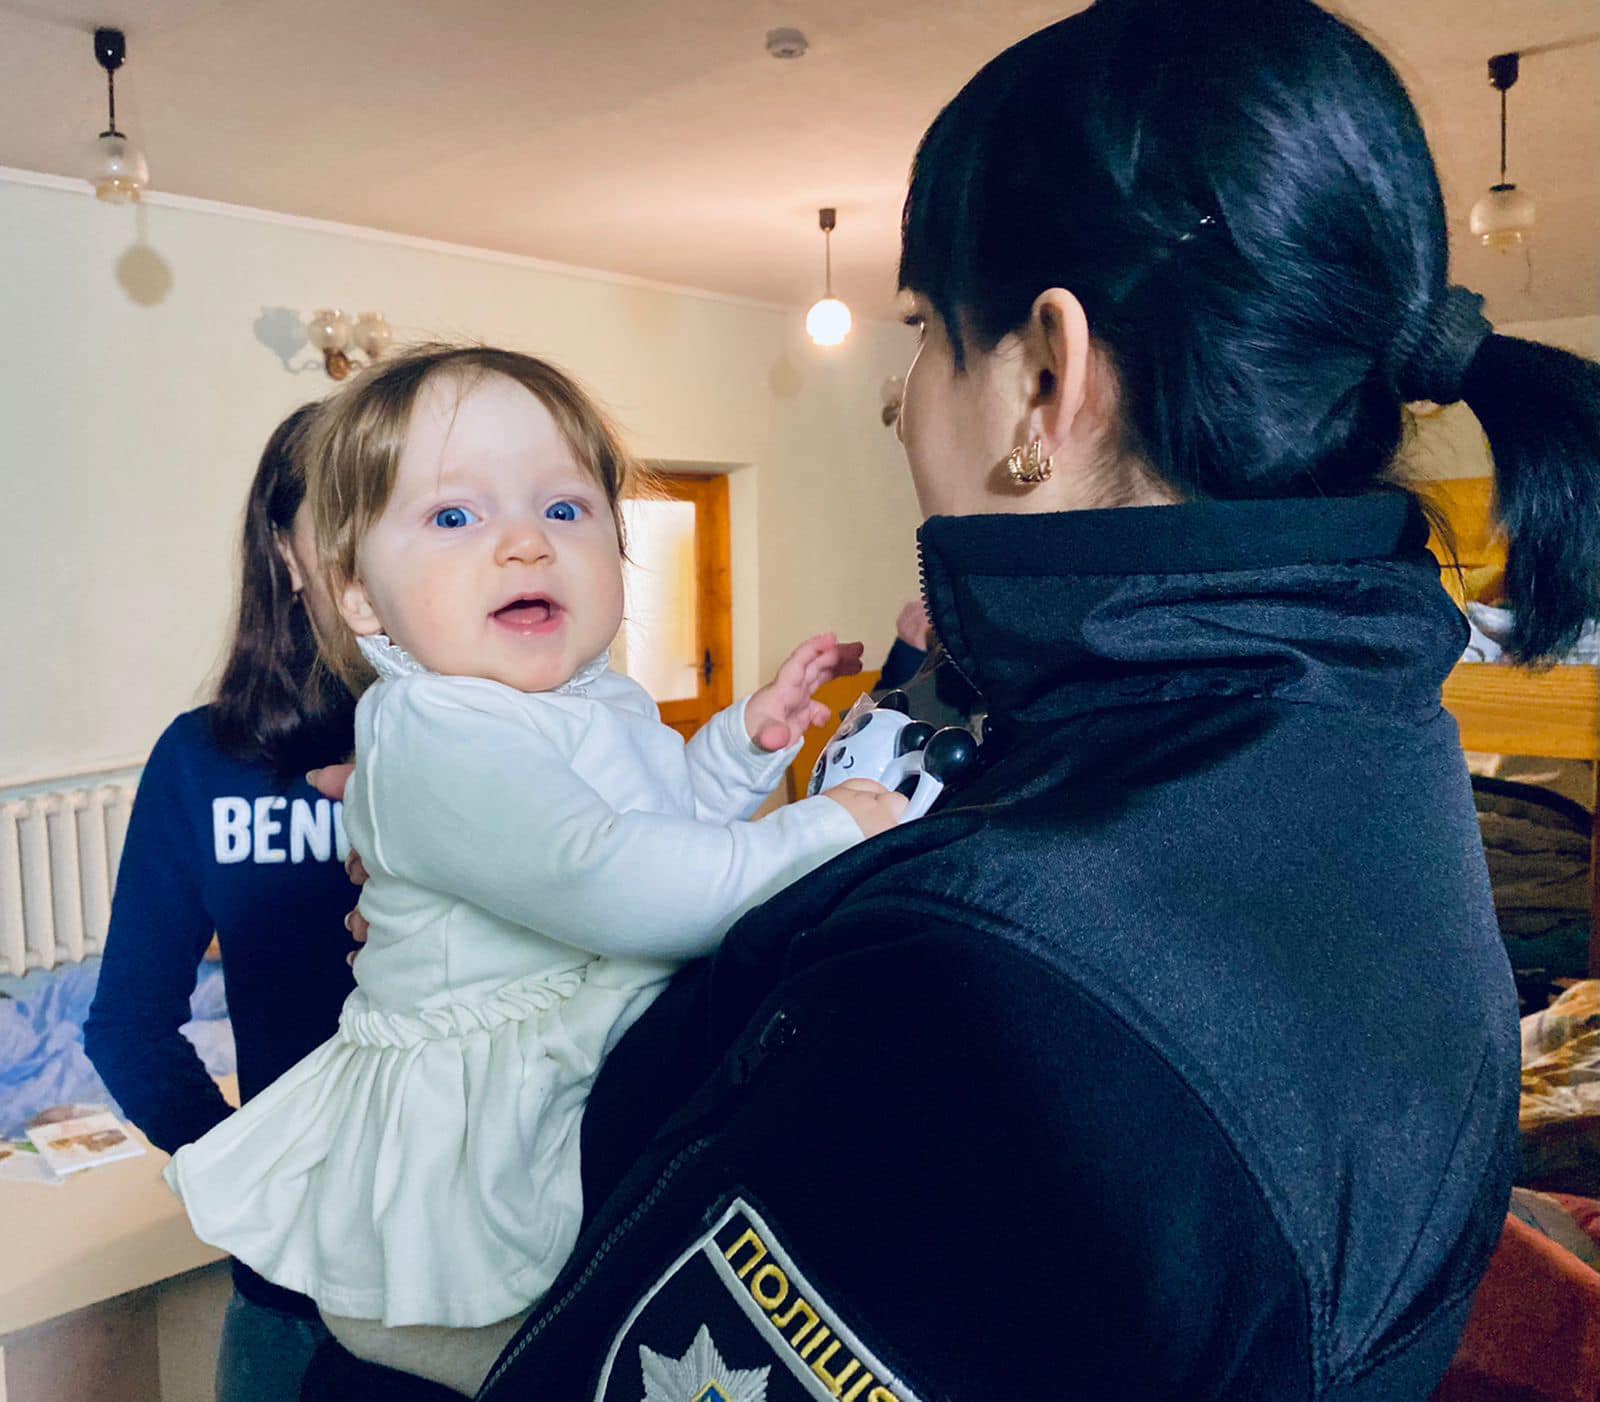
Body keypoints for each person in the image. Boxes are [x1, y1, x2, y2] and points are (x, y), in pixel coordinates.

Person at [310, 2, 1600, 1396]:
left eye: (923, 329)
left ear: (1047, 377)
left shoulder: (994, 976)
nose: (899, 396)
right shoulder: (1369, 746)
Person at [163, 345, 902, 1396]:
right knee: (551, 1338)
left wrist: (743, 745)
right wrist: (821, 831)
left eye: (565, 509)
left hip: (568, 1074)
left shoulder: (594, 699)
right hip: (473, 1150)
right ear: (359, 594)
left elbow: (655, 824)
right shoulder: (432, 729)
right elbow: (612, 879)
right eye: (454, 516)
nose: (524, 542)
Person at [83, 403, 358, 1402]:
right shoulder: (202, 759)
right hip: (294, 1291)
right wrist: (245, 1176)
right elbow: (127, 1026)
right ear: (284, 550)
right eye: (347, 514)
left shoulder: (516, 740)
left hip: (505, 1289)